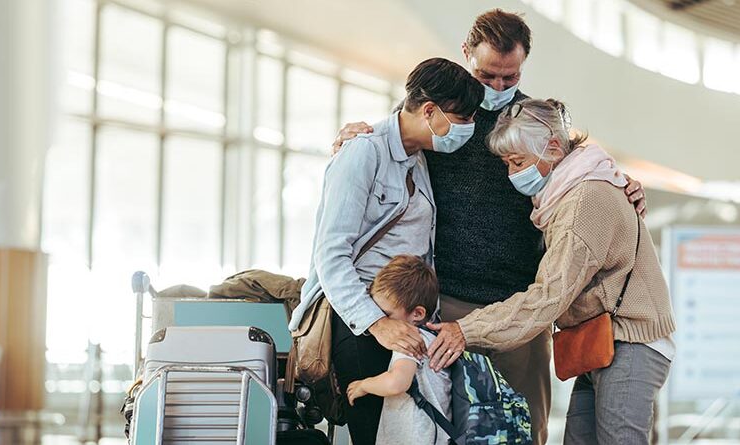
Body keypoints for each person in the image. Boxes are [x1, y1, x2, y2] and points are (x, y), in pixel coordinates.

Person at [332, 9, 648, 444]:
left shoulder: (534, 124)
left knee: (522, 428)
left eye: (509, 76)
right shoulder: (443, 118)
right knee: (445, 428)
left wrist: (623, 183)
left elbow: (577, 168)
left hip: (522, 308)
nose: (498, 87)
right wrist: (350, 138)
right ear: (466, 54)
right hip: (446, 304)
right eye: (487, 75)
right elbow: (394, 140)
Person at [427, 98, 676, 445]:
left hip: (630, 341)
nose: (513, 174)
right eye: (508, 164)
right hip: (601, 340)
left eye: (518, 162)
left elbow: (547, 297)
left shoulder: (583, 202)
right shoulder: (576, 184)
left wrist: (465, 330)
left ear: (554, 147)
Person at [288, 57, 483, 445]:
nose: (468, 130)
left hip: (405, 320)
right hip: (362, 321)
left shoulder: (418, 159)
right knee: (374, 435)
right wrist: (378, 323)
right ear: (429, 110)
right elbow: (331, 255)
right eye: (462, 120)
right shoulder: (363, 152)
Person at [347, 255, 451, 445]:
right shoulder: (433, 338)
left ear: (417, 314)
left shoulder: (409, 341)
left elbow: (397, 382)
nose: (382, 319)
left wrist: (363, 385)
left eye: (387, 314)